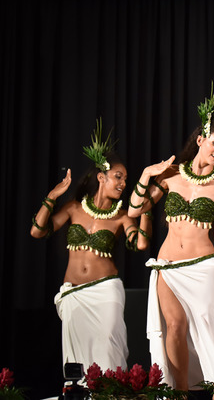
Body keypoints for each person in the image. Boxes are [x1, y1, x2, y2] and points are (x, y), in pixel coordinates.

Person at [127, 75, 214, 391]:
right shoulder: (171, 176)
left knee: (204, 326)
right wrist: (147, 174)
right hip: (167, 267)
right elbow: (135, 209)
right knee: (174, 327)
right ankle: (178, 394)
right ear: (201, 139)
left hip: (203, 268)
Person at [30, 119, 150, 373]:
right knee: (77, 358)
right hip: (74, 293)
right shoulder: (73, 208)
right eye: (118, 177)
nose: (122, 183)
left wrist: (146, 212)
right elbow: (37, 231)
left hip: (106, 291)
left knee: (108, 346)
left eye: (125, 179)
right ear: (101, 177)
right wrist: (52, 196)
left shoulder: (123, 215)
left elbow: (139, 243)